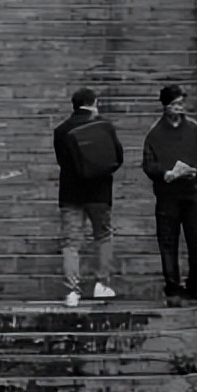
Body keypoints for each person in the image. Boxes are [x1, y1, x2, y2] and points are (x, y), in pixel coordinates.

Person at [53, 88, 124, 307]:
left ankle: (73, 291)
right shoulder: (105, 127)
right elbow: (117, 157)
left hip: (71, 192)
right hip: (99, 192)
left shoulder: (61, 130)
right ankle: (102, 283)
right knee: (102, 236)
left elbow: (61, 161)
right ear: (94, 103)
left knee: (71, 242)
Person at [142, 85, 197, 304]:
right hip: (168, 195)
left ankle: (196, 284)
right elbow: (148, 164)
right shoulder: (155, 133)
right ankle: (172, 285)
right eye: (174, 104)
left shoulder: (193, 128)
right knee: (168, 242)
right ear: (165, 106)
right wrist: (165, 174)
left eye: (181, 104)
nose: (178, 108)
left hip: (193, 191)